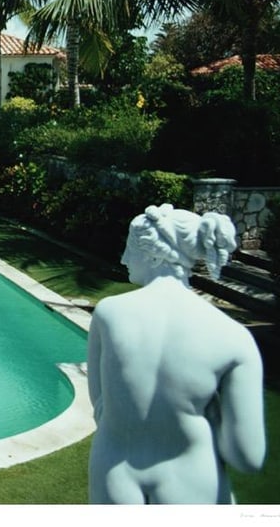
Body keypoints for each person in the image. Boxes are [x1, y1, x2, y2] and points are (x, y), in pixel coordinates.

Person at [87, 204, 266, 504]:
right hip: (194, 479)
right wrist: (212, 415)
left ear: (154, 254)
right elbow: (248, 457)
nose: (124, 258)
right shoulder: (234, 337)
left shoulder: (109, 313)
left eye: (130, 248)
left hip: (113, 474)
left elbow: (102, 409)